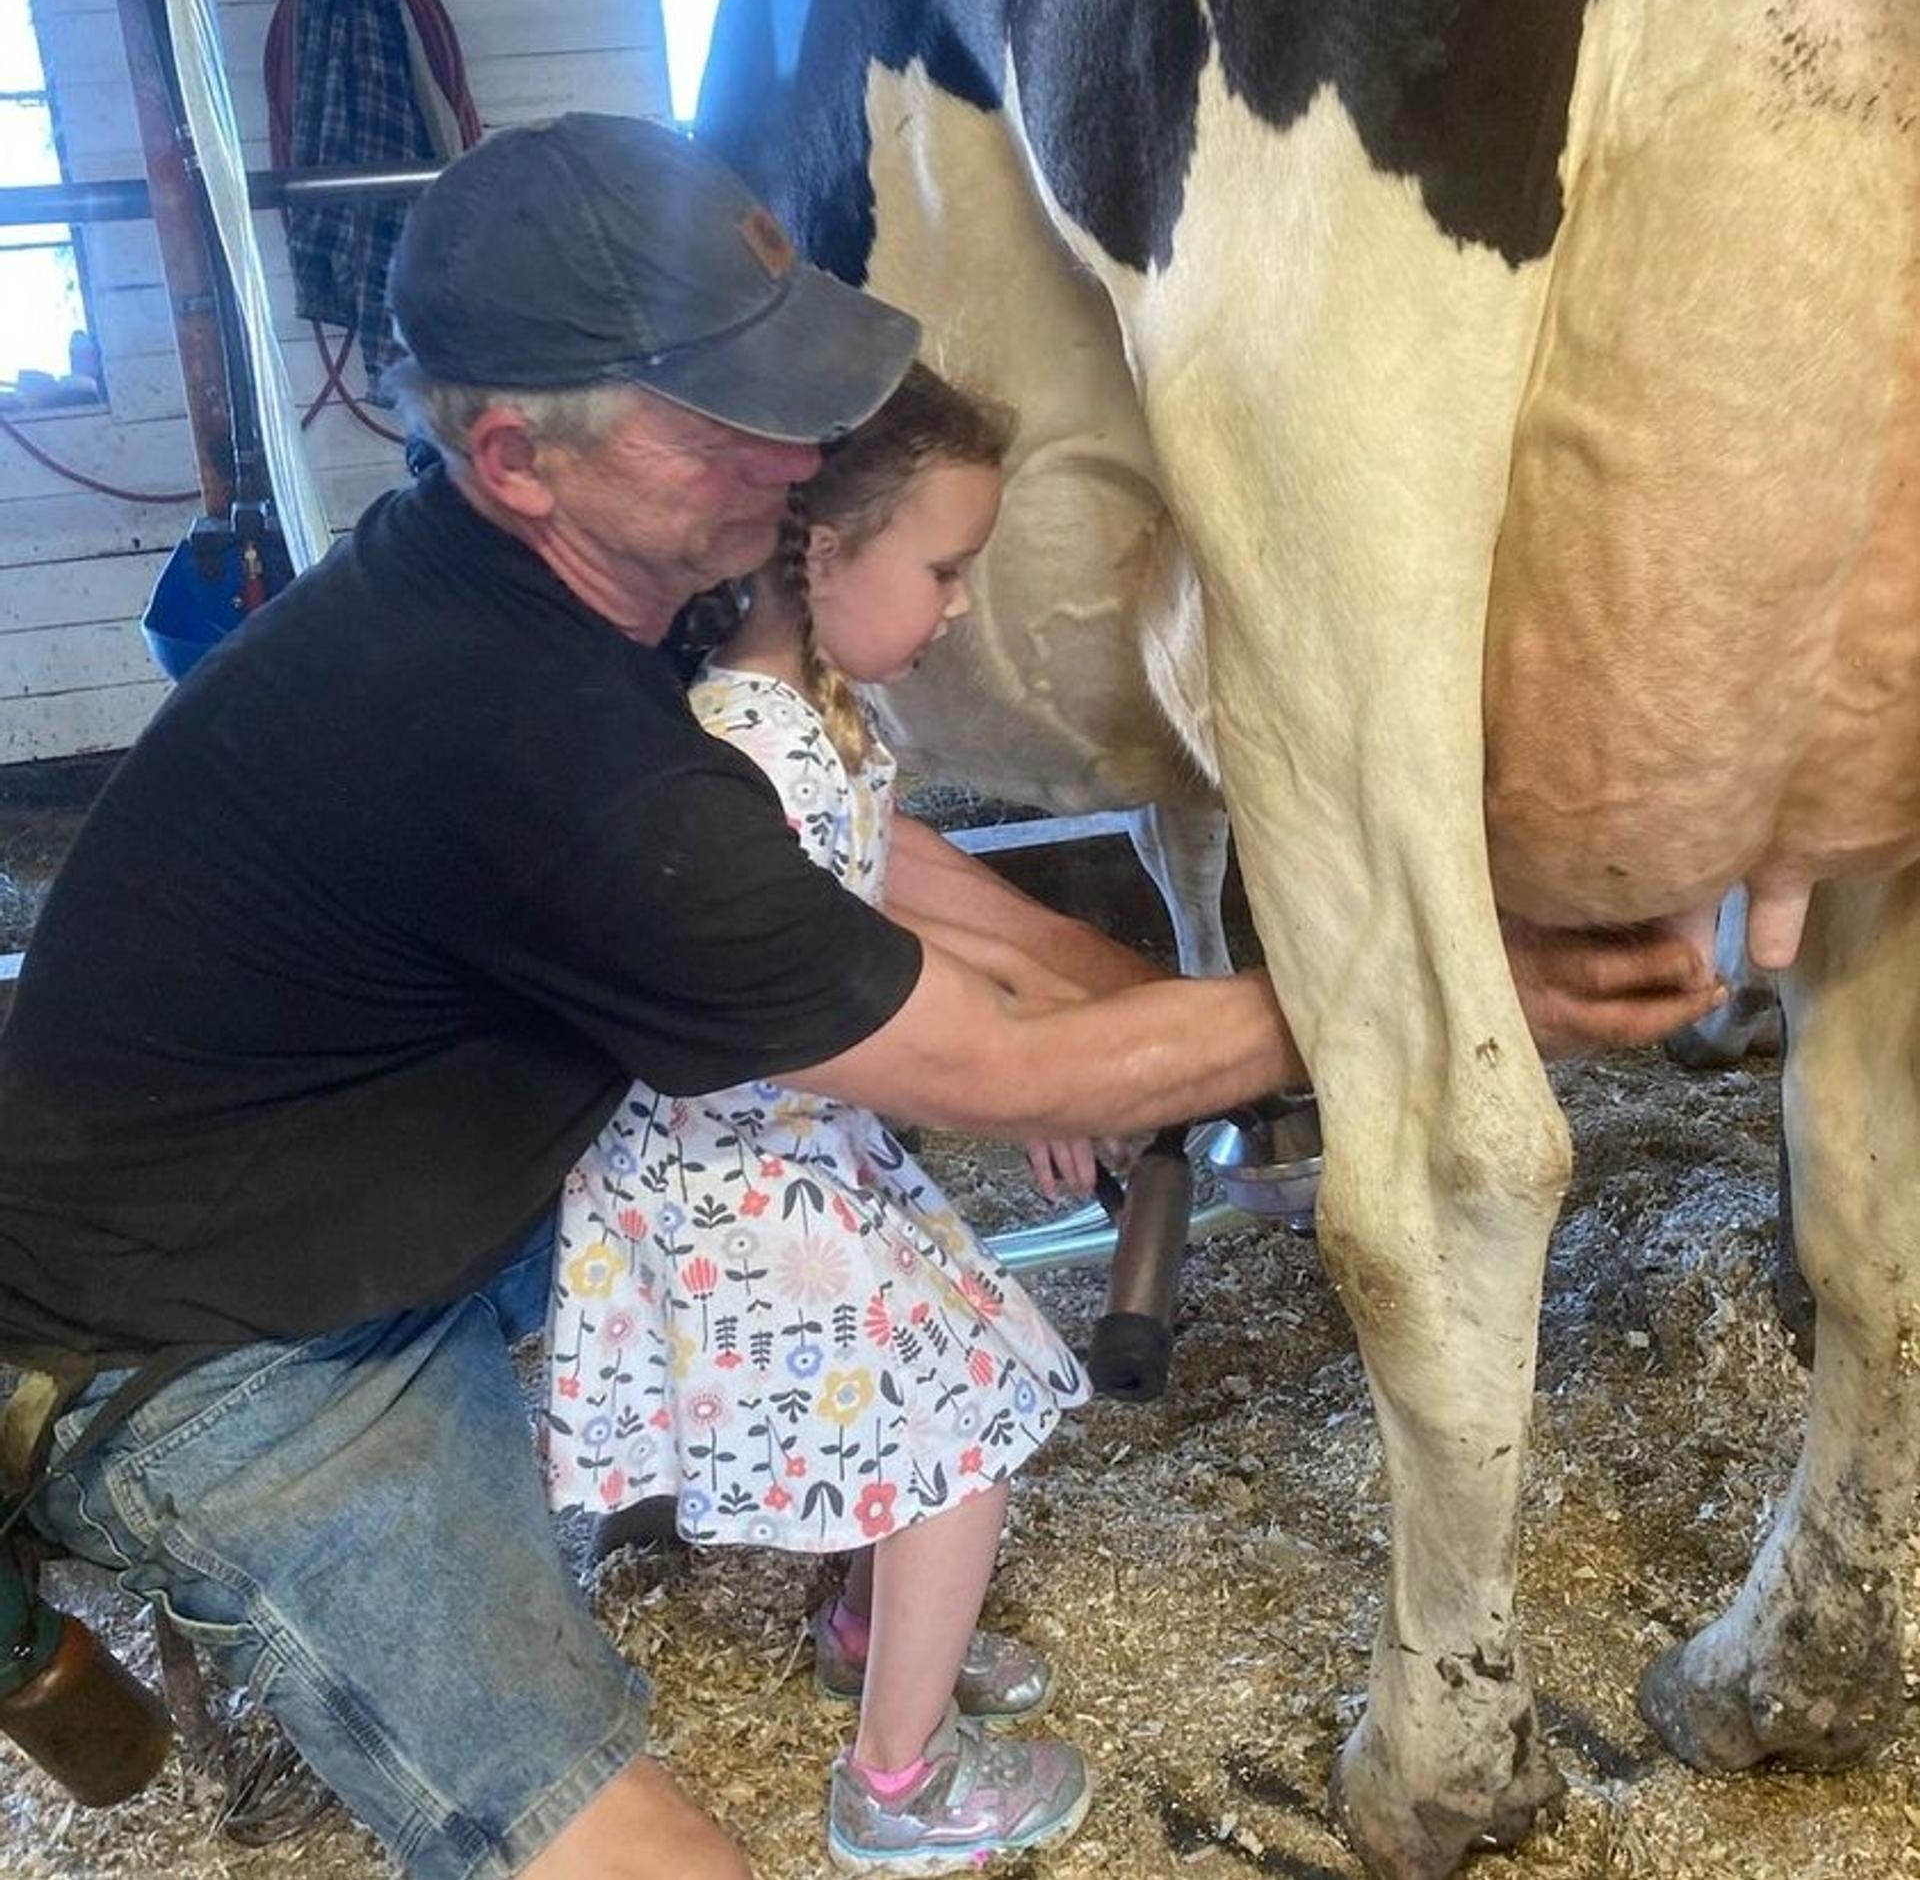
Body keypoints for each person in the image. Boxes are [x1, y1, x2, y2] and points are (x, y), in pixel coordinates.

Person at [0, 115, 1723, 1880]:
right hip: (222, 1359)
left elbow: (859, 857)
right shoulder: (547, 748)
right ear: (521, 455)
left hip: (383, 1187)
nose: (802, 454)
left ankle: (859, 1586)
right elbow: (978, 1067)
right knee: (629, 1840)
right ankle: (872, 1760)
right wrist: (1454, 999)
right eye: (732, 419)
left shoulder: (581, 599)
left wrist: (1140, 997)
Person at [543, 363, 1107, 1874]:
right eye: (944, 570)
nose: (961, 607)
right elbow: (802, 1000)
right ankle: (898, 1784)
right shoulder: (750, 749)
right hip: (738, 1163)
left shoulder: (828, 716)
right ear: (824, 554)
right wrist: (1023, 1069)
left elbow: (874, 925)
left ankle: (876, 1627)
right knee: (967, 1428)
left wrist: (1038, 1018)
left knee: (955, 1366)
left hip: (804, 1139)